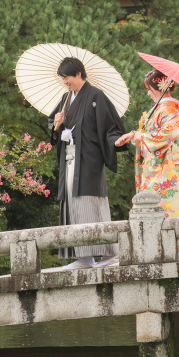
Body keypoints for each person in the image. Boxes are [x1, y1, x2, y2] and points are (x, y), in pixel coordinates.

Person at [50, 57, 127, 269]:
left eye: (67, 77)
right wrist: (57, 126)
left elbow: (110, 128)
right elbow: (53, 124)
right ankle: (83, 257)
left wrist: (116, 141)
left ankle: (111, 253)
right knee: (72, 206)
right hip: (70, 160)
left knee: (90, 204)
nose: (65, 82)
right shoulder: (66, 98)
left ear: (78, 74)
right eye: (63, 78)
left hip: (89, 160)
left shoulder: (96, 96)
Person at [115, 69, 179, 259]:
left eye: (149, 88)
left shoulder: (169, 108)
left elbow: (167, 135)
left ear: (159, 87)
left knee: (166, 202)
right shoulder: (161, 108)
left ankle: (178, 245)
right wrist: (133, 136)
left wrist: (139, 136)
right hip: (156, 166)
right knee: (153, 202)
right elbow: (148, 134)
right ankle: (157, 244)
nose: (148, 92)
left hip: (166, 167)